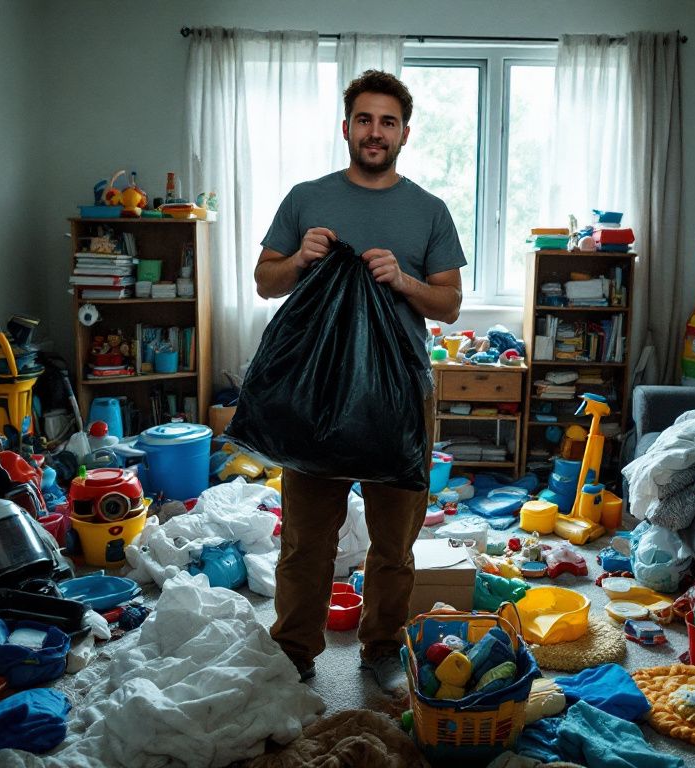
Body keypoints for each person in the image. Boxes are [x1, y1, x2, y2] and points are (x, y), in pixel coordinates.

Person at [254, 69, 465, 694]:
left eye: (388, 122)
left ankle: (380, 649)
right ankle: (294, 651)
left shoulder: (429, 210)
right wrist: (300, 260)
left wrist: (402, 280)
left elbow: (450, 303)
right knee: (305, 542)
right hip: (317, 391)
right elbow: (265, 281)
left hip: (400, 394)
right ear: (346, 127)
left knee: (394, 543)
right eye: (365, 120)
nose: (376, 132)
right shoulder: (305, 197)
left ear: (404, 133)